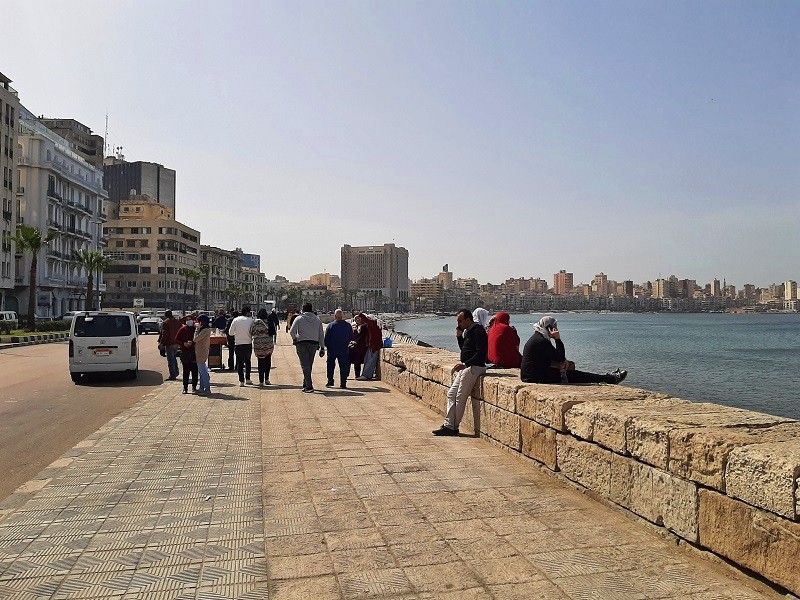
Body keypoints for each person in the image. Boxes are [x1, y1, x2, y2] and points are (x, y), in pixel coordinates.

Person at [520, 316, 628, 385]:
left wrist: (562, 362)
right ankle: (609, 378)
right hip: (535, 377)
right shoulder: (541, 341)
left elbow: (553, 358)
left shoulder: (538, 338)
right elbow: (560, 357)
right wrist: (557, 339)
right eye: (554, 327)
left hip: (532, 375)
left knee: (573, 372)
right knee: (576, 375)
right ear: (548, 328)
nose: (556, 330)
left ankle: (607, 377)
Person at [433, 308, 488, 436]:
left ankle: (452, 426)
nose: (458, 323)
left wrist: (465, 364)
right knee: (452, 393)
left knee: (460, 397)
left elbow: (481, 353)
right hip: (466, 367)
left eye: (460, 321)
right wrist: (459, 336)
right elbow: (464, 349)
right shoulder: (469, 331)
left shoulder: (478, 331)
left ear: (468, 319)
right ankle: (449, 424)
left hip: (473, 367)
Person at [288, 303, 325, 393]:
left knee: (305, 365)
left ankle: (309, 386)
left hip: (302, 343)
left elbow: (292, 331)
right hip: (314, 344)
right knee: (309, 365)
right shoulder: (317, 320)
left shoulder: (299, 318)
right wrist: (322, 347)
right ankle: (305, 384)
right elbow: (321, 334)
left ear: (303, 310)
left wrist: (295, 339)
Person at [324, 309, 352, 388]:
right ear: (342, 316)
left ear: (335, 316)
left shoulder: (331, 325)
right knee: (343, 366)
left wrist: (327, 347)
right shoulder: (348, 325)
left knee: (330, 366)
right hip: (343, 349)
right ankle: (343, 383)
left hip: (332, 349)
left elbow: (326, 339)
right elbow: (351, 337)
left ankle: (330, 381)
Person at [228, 306, 255, 387]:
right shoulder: (251, 320)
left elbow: (230, 333)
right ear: (247, 312)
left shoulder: (235, 320)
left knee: (240, 362)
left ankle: (241, 381)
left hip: (238, 344)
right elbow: (253, 332)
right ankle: (248, 379)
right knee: (248, 362)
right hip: (248, 343)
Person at [250, 308, 275, 386]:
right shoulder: (270, 321)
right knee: (268, 361)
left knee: (260, 362)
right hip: (268, 344)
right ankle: (267, 379)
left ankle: (261, 381)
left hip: (259, 345)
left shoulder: (255, 322)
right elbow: (273, 332)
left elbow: (251, 332)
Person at [356, 312, 382, 381]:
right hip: (374, 344)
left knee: (370, 360)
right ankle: (367, 374)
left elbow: (366, 320)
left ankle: (366, 375)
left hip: (374, 345)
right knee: (367, 359)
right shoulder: (376, 324)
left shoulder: (372, 323)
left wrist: (360, 314)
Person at [175, 316, 198, 394]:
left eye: (190, 320)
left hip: (194, 352)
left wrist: (193, 344)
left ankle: (194, 387)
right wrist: (183, 343)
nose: (189, 321)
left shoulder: (196, 329)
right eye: (187, 320)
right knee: (186, 371)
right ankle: (185, 387)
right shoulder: (182, 329)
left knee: (195, 371)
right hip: (185, 353)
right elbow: (176, 339)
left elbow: (200, 339)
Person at [157, 310, 182, 380]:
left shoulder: (166, 322)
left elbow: (164, 334)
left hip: (169, 343)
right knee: (173, 358)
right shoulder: (177, 321)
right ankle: (176, 372)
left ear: (166, 315)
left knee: (170, 359)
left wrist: (161, 343)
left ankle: (173, 375)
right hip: (176, 342)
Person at [194, 314, 212, 395]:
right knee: (201, 372)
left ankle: (207, 389)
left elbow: (195, 339)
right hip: (201, 351)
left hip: (201, 352)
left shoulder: (205, 331)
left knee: (203, 372)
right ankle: (201, 388)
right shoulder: (205, 330)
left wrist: (197, 329)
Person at [349, 314, 369, 378]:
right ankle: (356, 375)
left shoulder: (364, 326)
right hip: (354, 347)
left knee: (360, 361)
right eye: (356, 319)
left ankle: (362, 374)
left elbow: (362, 336)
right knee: (355, 361)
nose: (358, 319)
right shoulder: (353, 327)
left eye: (359, 318)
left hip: (362, 346)